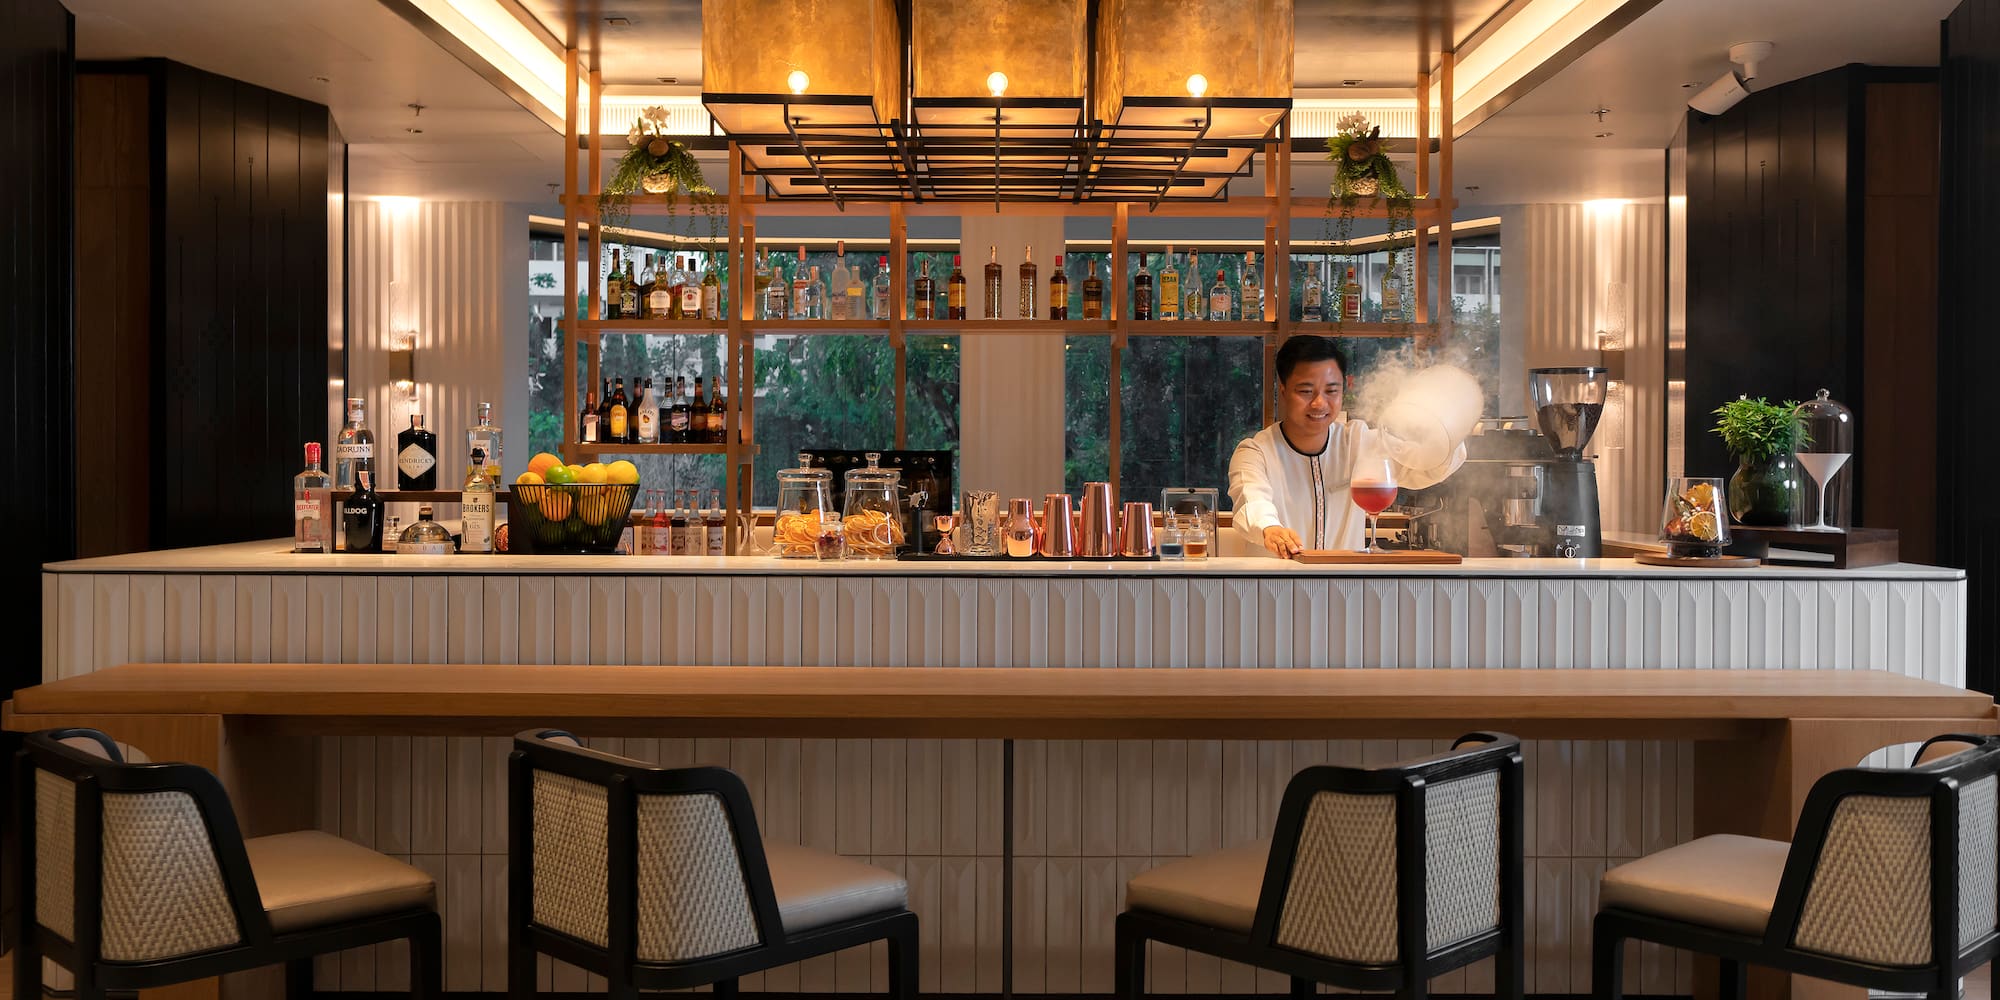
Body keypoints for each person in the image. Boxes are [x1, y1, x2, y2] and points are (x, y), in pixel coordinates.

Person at [1230, 336, 1474, 557]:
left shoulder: (1360, 441)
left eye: (1331, 391)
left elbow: (1426, 467)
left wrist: (1447, 428)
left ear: (1343, 390)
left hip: (1344, 591)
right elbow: (1251, 500)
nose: (1319, 403)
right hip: (1273, 591)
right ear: (1282, 391)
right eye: (1305, 391)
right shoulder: (1255, 452)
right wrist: (1270, 528)